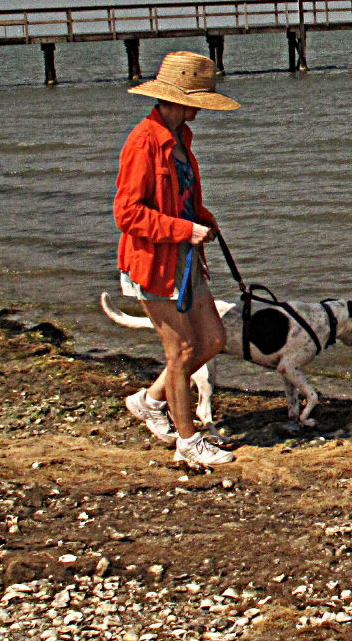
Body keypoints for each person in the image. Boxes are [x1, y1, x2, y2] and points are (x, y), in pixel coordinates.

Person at [115, 51, 240, 468]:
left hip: (187, 258)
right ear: (179, 99)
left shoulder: (181, 136)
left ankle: (150, 401)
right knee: (183, 349)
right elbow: (126, 214)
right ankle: (188, 442)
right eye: (198, 102)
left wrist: (202, 219)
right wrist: (184, 229)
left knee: (214, 340)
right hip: (153, 263)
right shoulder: (143, 141)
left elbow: (179, 199)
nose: (201, 110)